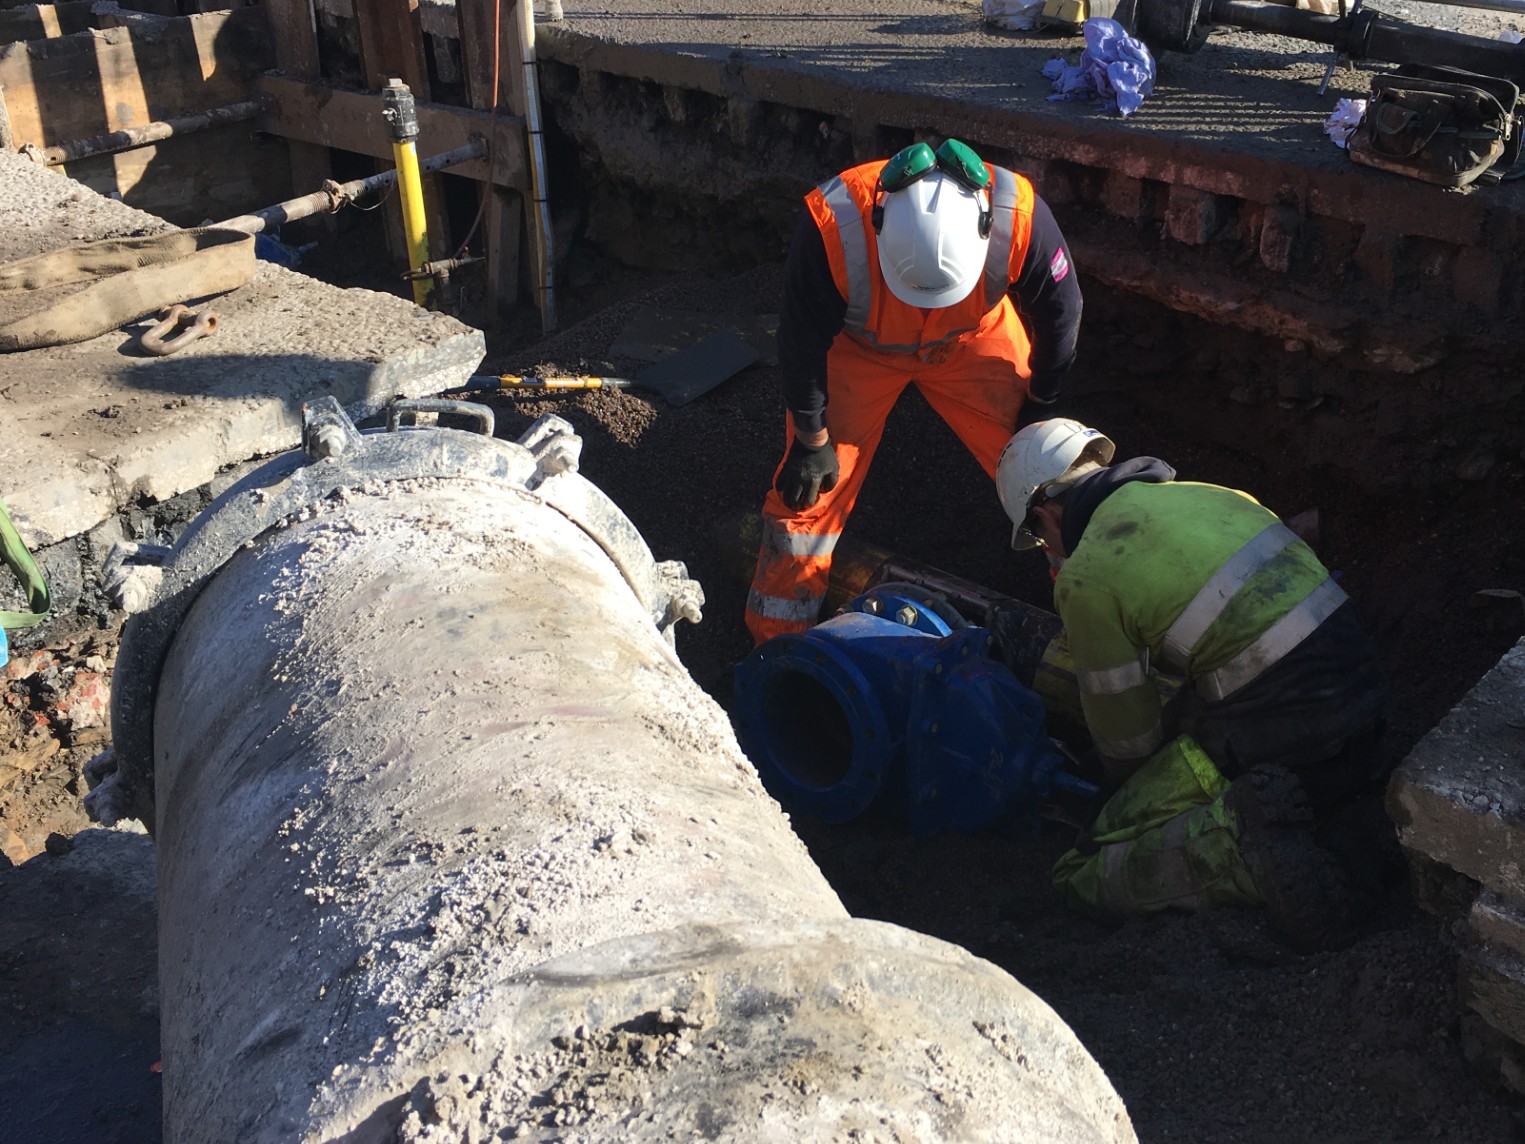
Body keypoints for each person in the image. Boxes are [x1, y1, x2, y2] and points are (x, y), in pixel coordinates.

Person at [994, 418, 1392, 951]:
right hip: (1363, 699)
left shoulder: (1087, 574)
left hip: (1288, 729)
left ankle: (1245, 857)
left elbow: (1126, 735)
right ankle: (1334, 820)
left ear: (1045, 514)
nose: (1049, 548)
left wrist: (1125, 794)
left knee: (1083, 866)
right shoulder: (1211, 496)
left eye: (1040, 537)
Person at [745, 138, 1083, 645]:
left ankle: (1091, 614)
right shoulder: (835, 226)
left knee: (1055, 474)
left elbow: (1063, 312)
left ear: (985, 227)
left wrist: (1045, 399)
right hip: (859, 350)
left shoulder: (1021, 217)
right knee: (808, 497)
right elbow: (799, 338)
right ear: (878, 223)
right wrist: (812, 440)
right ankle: (778, 645)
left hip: (973, 341)